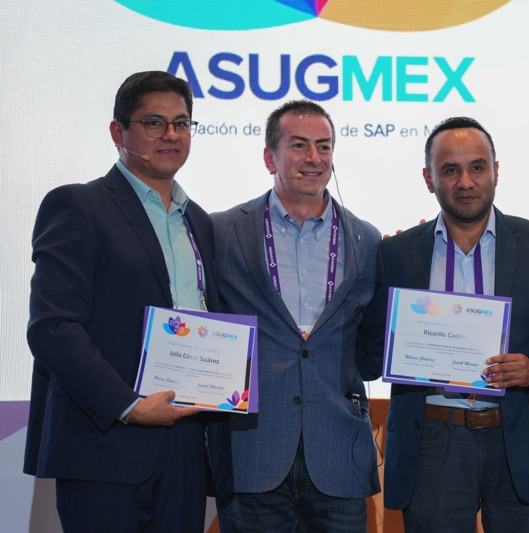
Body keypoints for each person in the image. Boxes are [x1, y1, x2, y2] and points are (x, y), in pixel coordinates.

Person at [359, 117, 529, 533]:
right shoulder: (395, 254)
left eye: (477, 167)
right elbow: (370, 357)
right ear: (429, 179)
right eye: (450, 170)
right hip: (432, 442)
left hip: (521, 441)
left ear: (496, 171)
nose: (465, 181)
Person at [23, 71, 232, 532]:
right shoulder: (78, 205)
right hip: (106, 443)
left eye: (182, 123)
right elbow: (52, 327)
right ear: (118, 132)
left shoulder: (199, 222)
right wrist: (129, 405)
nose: (171, 134)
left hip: (185, 446)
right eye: (154, 122)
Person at [212, 100, 381, 533]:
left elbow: (370, 346)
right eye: (299, 145)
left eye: (324, 146)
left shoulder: (367, 239)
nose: (314, 158)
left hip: (339, 453)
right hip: (253, 451)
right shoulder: (222, 231)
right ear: (270, 158)